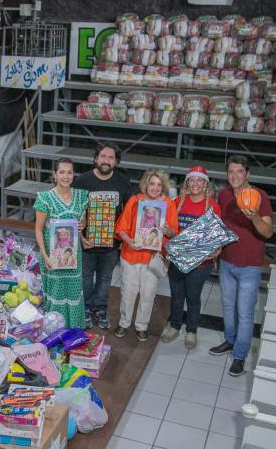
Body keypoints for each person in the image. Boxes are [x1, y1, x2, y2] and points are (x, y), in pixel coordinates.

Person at [208, 155, 273, 376]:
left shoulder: (260, 196)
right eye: (231, 172)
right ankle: (230, 340)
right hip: (227, 261)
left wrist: (255, 218)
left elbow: (268, 232)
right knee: (228, 306)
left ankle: (240, 355)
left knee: (244, 313)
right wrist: (217, 248)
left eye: (239, 171)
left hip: (250, 266)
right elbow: (222, 227)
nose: (235, 176)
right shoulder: (225, 195)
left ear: (248, 174)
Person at [74, 142, 134, 329]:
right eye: (103, 156)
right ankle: (85, 309)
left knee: (105, 279)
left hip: (111, 245)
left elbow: (129, 212)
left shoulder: (123, 181)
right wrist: (80, 237)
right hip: (86, 243)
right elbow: (74, 212)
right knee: (85, 279)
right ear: (95, 158)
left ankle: (100, 309)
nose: (106, 161)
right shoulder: (82, 181)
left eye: (110, 157)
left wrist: (124, 237)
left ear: (116, 162)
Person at [160, 166, 222, 350]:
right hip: (177, 260)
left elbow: (216, 235)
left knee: (193, 297)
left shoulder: (213, 206)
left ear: (205, 184)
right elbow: (168, 229)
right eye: (192, 180)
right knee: (176, 296)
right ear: (187, 183)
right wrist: (168, 237)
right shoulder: (177, 202)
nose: (195, 183)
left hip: (200, 263)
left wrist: (216, 248)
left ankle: (192, 330)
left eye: (199, 180)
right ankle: (175, 326)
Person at [113, 170, 178, 341]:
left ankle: (142, 326)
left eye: (159, 185)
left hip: (153, 258)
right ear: (145, 185)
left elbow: (174, 232)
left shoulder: (168, 204)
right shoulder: (135, 201)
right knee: (128, 293)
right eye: (152, 184)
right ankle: (124, 322)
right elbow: (121, 228)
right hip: (131, 255)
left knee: (148, 294)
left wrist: (167, 230)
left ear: (163, 187)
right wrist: (129, 241)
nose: (155, 188)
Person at [35, 158, 89, 328]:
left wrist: (82, 225)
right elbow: (38, 230)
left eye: (70, 172)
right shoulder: (45, 198)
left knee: (73, 290)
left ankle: (73, 328)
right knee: (56, 291)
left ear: (73, 174)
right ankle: (54, 329)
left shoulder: (81, 196)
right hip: (53, 255)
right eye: (62, 172)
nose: (66, 176)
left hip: (74, 255)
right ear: (55, 174)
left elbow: (83, 222)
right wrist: (45, 256)